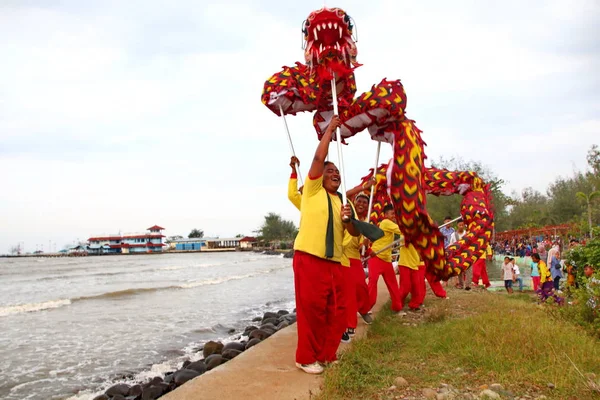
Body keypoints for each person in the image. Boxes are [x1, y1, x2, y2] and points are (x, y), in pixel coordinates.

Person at [292, 115, 360, 375]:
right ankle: (305, 357)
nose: (334, 175)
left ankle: (327, 354)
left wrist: (349, 218)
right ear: (320, 176)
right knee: (312, 311)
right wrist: (330, 131)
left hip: (334, 262)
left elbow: (353, 231)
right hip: (309, 258)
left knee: (337, 311)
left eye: (338, 173)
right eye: (330, 172)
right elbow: (318, 160)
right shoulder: (312, 191)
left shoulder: (342, 201)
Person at [341, 192, 374, 339]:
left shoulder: (367, 222)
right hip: (339, 255)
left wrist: (366, 243)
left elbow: (362, 246)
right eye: (359, 201)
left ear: (368, 206)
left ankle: (364, 309)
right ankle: (349, 323)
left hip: (354, 256)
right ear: (354, 202)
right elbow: (345, 194)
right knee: (347, 292)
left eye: (365, 202)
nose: (361, 204)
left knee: (361, 287)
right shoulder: (346, 213)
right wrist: (364, 187)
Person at [367, 204, 403, 313]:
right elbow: (401, 230)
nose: (394, 216)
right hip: (376, 257)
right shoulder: (386, 223)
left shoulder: (391, 225)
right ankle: (365, 307)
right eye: (392, 214)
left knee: (393, 284)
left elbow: (402, 236)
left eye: (395, 214)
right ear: (386, 214)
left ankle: (397, 307)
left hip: (387, 259)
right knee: (373, 283)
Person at [397, 241, 426, 311]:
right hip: (405, 263)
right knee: (405, 287)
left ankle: (414, 305)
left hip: (415, 264)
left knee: (416, 287)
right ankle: (397, 305)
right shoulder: (404, 232)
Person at [449, 220, 470, 290]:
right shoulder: (453, 235)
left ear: (464, 225)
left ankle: (467, 285)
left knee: (468, 269)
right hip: (458, 255)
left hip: (467, 254)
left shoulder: (467, 234)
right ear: (457, 225)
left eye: (462, 225)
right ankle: (461, 284)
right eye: (460, 225)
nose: (461, 226)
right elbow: (451, 245)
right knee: (459, 270)